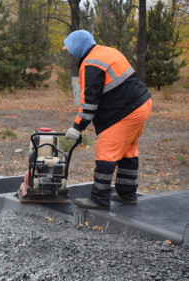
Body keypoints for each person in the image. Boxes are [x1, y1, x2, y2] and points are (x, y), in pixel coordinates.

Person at [62, 30, 152, 210]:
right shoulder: (108, 52)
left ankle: (99, 199)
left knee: (105, 151)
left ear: (78, 48)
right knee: (128, 151)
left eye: (70, 50)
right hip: (142, 104)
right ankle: (127, 194)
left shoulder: (91, 64)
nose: (70, 54)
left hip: (125, 111)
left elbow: (89, 102)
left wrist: (77, 127)